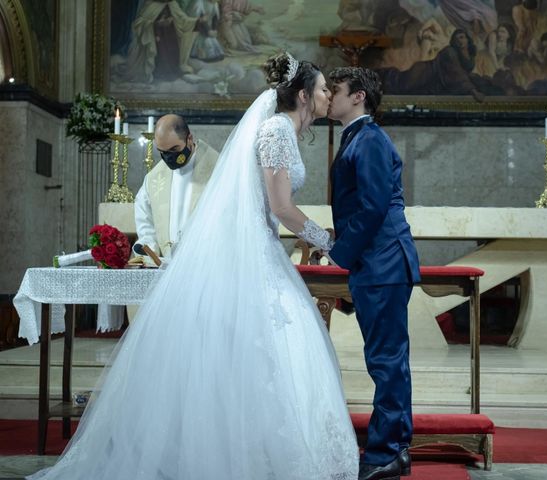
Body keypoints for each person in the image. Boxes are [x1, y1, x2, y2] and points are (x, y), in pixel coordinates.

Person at [27, 53, 358, 480]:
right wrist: (328, 240)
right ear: (302, 94)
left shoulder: (285, 130)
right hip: (257, 256)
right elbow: (280, 205)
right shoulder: (277, 129)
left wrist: (296, 232)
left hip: (264, 247)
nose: (327, 94)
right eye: (322, 88)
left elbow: (268, 205)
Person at [327, 66, 420, 480]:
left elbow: (374, 206)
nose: (329, 96)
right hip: (376, 262)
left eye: (337, 90)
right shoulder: (358, 137)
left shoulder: (370, 139)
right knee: (384, 359)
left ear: (359, 96)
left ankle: (387, 453)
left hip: (382, 261)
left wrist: (339, 254)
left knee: (387, 360)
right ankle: (393, 448)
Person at [133, 114, 218, 259]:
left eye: (174, 149)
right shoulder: (154, 178)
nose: (169, 157)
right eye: (163, 152)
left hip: (205, 261)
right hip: (168, 266)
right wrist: (149, 245)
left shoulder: (218, 169)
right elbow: (145, 218)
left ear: (189, 139)